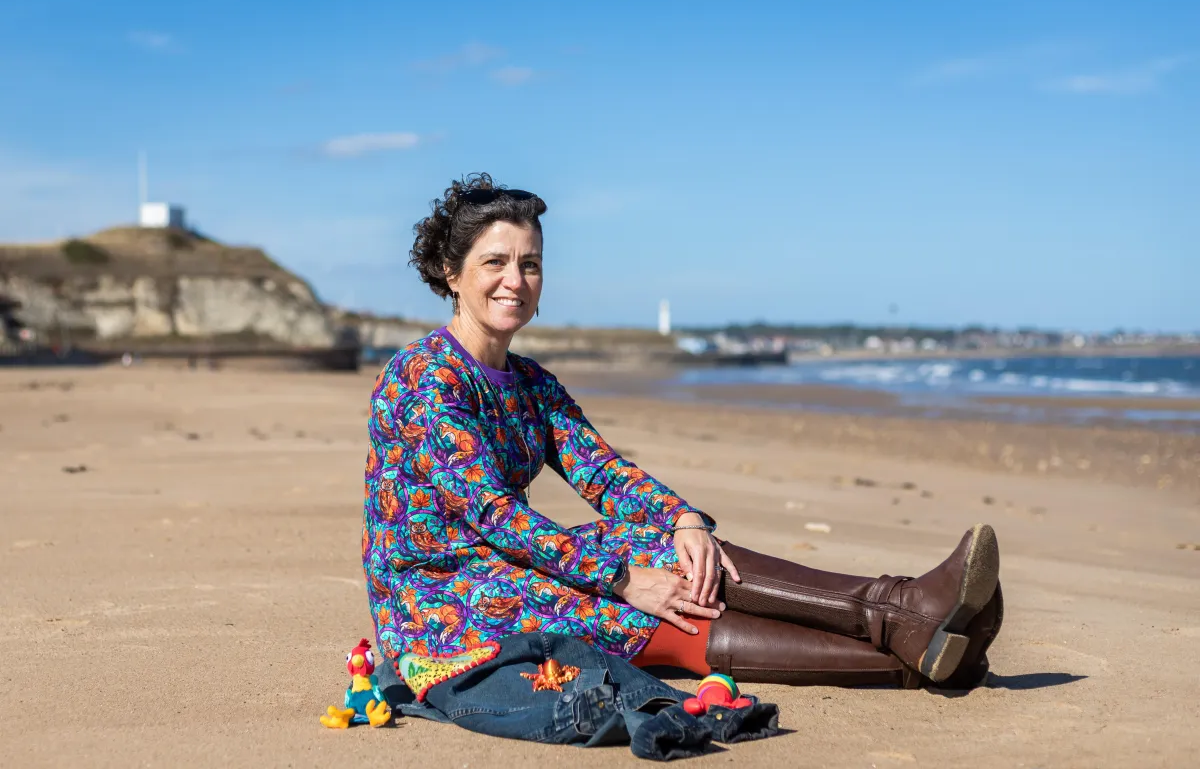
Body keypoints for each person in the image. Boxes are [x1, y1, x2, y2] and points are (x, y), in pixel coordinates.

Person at [362, 174, 1003, 689]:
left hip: (506, 564)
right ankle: (916, 650)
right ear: (452, 273)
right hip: (439, 597)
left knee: (680, 555)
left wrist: (684, 520)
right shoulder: (425, 377)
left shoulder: (530, 382)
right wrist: (622, 577)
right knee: (641, 601)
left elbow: (603, 471)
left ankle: (905, 615)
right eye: (495, 262)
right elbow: (493, 515)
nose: (516, 280)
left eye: (530, 264)